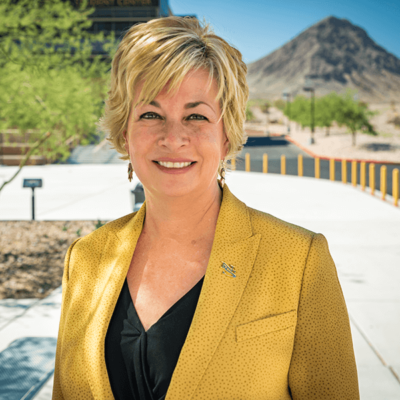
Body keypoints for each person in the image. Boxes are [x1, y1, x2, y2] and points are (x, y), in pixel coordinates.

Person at [52, 16, 360, 400]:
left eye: (196, 116)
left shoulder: (299, 261)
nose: (173, 137)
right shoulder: (85, 259)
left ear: (227, 134)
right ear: (124, 133)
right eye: (150, 114)